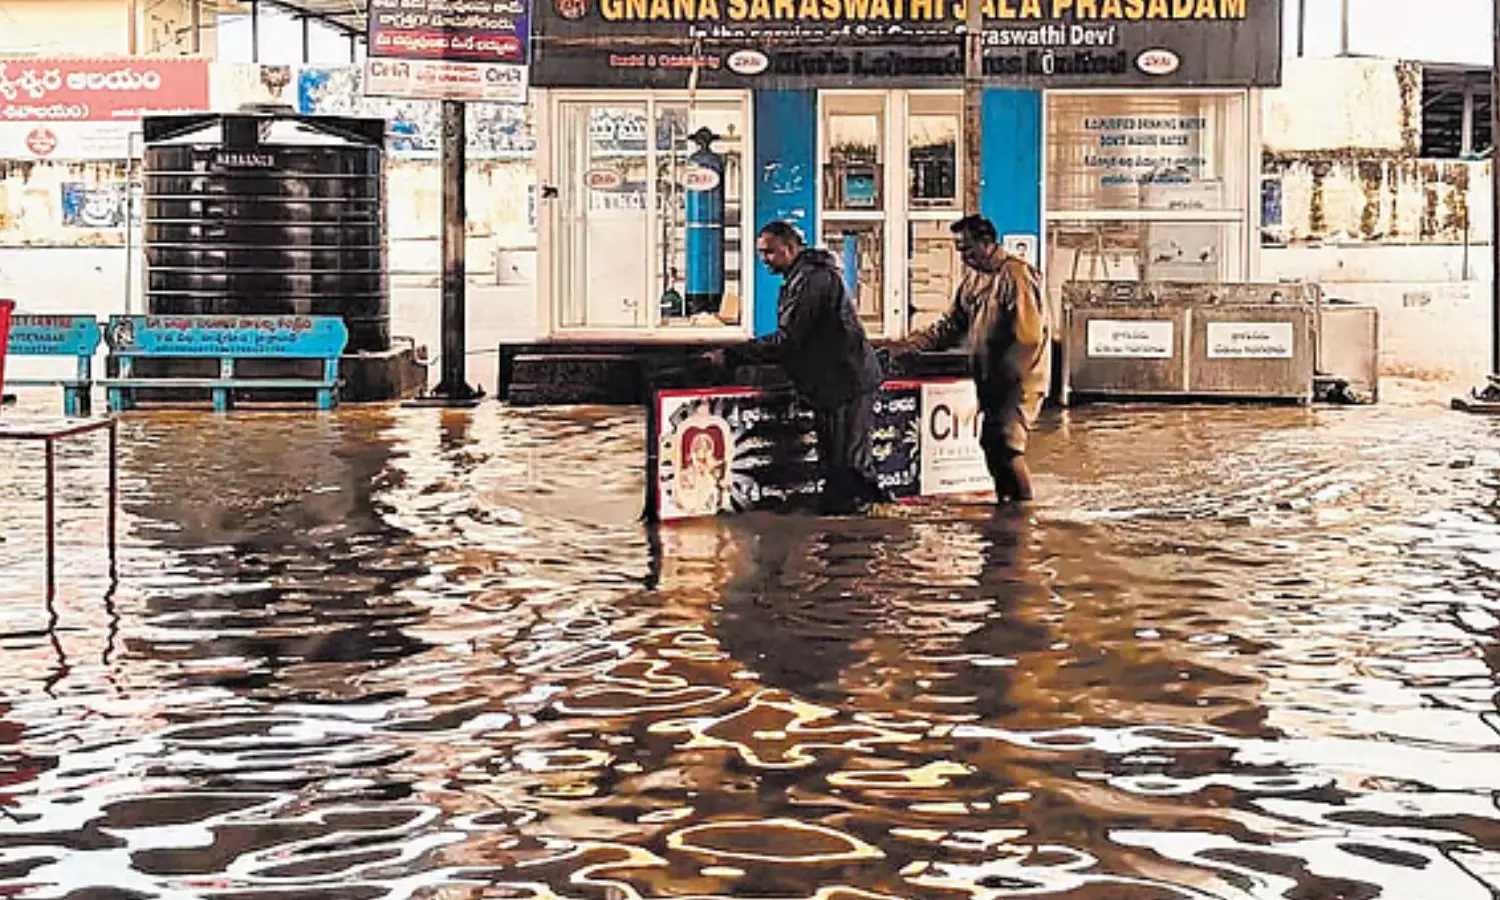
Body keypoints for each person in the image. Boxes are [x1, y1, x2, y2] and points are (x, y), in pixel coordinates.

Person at [708, 221, 887, 515]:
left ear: (790, 249)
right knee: (839, 463)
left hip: (845, 382)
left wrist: (732, 356)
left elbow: (789, 340)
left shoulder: (811, 281)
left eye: (769, 252)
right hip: (838, 382)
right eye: (760, 253)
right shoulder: (807, 276)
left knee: (847, 464)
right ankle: (850, 533)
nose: (764, 259)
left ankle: (863, 532)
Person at [893, 214, 1051, 505]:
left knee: (1007, 447)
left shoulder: (1017, 275)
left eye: (966, 249)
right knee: (992, 445)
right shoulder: (974, 280)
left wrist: (1007, 384)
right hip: (991, 381)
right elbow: (952, 325)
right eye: (958, 250)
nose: (962, 257)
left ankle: (1024, 515)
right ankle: (1008, 506)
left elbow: (1027, 337)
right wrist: (911, 345)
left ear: (987, 243)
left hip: (1017, 381)